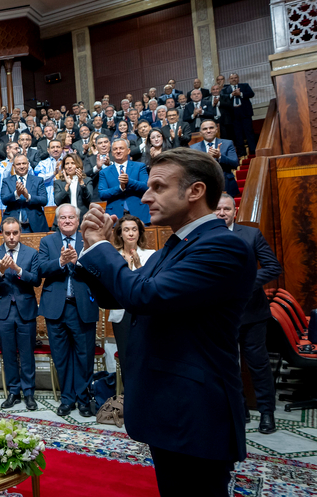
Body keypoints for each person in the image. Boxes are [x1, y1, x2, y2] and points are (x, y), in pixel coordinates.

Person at [78, 148, 255, 495]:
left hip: (195, 411)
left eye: (158, 187)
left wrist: (102, 248)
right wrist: (93, 249)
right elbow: (119, 296)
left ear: (195, 191)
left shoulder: (221, 246)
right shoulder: (172, 247)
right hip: (170, 404)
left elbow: (146, 297)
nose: (145, 196)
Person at [215, 193, 282, 435]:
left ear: (235, 212)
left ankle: (267, 412)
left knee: (258, 365)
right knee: (230, 365)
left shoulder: (251, 235)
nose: (222, 213)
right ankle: (239, 409)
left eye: (227, 209)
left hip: (252, 314)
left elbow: (274, 267)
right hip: (222, 316)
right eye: (218, 209)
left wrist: (247, 282)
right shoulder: (205, 238)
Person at [36, 203, 99, 418]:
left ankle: (83, 400)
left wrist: (77, 263)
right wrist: (60, 262)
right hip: (56, 309)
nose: (67, 221)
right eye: (63, 218)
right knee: (61, 357)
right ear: (57, 220)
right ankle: (67, 399)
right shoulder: (48, 241)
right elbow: (41, 269)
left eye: (71, 217)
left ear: (78, 220)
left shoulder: (88, 239)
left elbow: (99, 270)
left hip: (82, 307)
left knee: (84, 356)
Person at [0, 217, 40, 411]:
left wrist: (17, 269)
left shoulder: (31, 253)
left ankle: (29, 393)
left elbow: (36, 280)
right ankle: (13, 392)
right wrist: (0, 270)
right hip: (3, 312)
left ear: (20, 233)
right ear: (2, 233)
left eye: (15, 233)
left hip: (25, 310)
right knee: (8, 354)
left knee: (27, 354)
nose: (11, 237)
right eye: (7, 233)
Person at [105, 215, 155, 361]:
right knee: (126, 357)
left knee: (144, 356)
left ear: (139, 232)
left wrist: (139, 267)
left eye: (134, 229)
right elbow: (111, 287)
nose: (131, 233)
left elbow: (150, 285)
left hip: (143, 313)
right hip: (121, 313)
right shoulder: (114, 257)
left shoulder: (150, 255)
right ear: (120, 233)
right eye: (126, 230)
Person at [99, 138, 150, 224]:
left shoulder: (140, 166)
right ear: (112, 153)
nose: (118, 151)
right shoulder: (104, 172)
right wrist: (119, 188)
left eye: (121, 148)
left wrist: (129, 182)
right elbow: (102, 194)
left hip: (139, 213)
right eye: (115, 149)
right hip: (115, 216)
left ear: (128, 150)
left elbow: (146, 187)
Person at [0, 154, 49, 233]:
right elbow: (4, 200)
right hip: (13, 224)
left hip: (35, 224)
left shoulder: (38, 180)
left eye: (24, 163)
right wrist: (16, 194)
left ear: (28, 164)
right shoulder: (7, 181)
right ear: (13, 166)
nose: (21, 166)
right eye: (18, 164)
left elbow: (44, 200)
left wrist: (28, 196)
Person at [191, 120, 240, 198]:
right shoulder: (193, 148)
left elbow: (235, 164)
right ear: (200, 132)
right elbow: (193, 170)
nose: (208, 131)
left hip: (226, 185)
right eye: (205, 129)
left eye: (211, 128)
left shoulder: (228, 143)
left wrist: (220, 156)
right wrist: (208, 158)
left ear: (216, 129)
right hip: (205, 187)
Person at [221, 73, 256, 156]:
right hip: (233, 115)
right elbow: (223, 98)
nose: (234, 79)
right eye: (232, 78)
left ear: (238, 78)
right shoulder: (225, 89)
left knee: (249, 132)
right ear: (229, 80)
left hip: (245, 113)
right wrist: (231, 95)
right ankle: (241, 152)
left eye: (235, 77)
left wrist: (240, 94)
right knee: (237, 134)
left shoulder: (244, 86)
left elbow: (251, 94)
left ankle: (253, 150)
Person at [53, 153, 91, 222]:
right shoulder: (59, 182)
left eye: (73, 163)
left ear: (78, 165)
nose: (69, 166)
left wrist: (81, 183)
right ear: (64, 167)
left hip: (83, 219)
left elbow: (88, 199)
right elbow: (57, 201)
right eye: (67, 164)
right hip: (65, 220)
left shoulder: (87, 180)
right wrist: (67, 185)